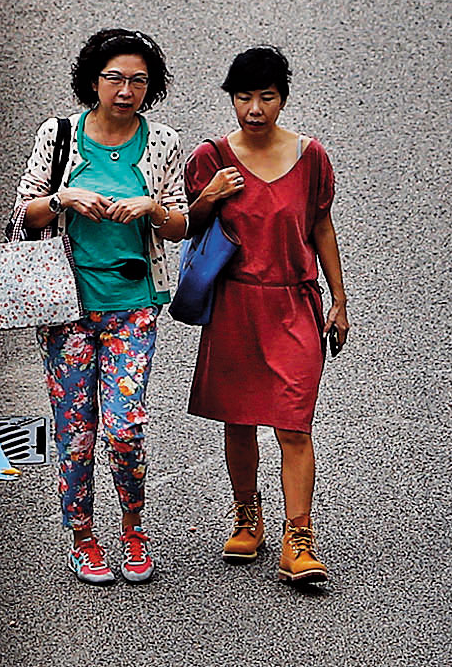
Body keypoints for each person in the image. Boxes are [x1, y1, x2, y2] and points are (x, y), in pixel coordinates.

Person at [11, 28, 193, 584]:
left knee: (125, 425)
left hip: (134, 305)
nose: (126, 90)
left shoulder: (161, 143)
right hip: (66, 306)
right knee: (75, 427)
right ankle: (83, 536)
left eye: (138, 80)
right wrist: (62, 197)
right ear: (93, 81)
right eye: (115, 78)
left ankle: (133, 529)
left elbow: (183, 222)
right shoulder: (60, 135)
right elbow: (24, 213)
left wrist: (152, 206)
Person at [184, 44, 348, 592]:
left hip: (294, 304)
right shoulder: (210, 158)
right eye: (243, 97)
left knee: (294, 423)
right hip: (235, 304)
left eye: (266, 97)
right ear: (231, 98)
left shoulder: (311, 158)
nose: (254, 109)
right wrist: (208, 196)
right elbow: (186, 227)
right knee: (240, 417)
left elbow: (320, 226)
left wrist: (339, 300)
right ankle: (246, 516)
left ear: (282, 98)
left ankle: (298, 538)